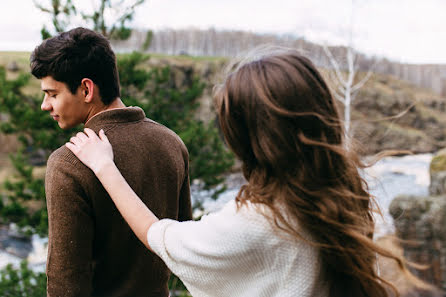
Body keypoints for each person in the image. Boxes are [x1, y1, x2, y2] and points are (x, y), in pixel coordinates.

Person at [67, 48, 429, 297]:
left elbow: (160, 236)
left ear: (250, 139)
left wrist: (104, 166)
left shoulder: (261, 221)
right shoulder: (340, 190)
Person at [31, 27, 192, 297]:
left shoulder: (68, 164)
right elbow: (183, 246)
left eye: (53, 94)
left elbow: (66, 284)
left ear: (86, 89)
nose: (44, 105)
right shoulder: (172, 143)